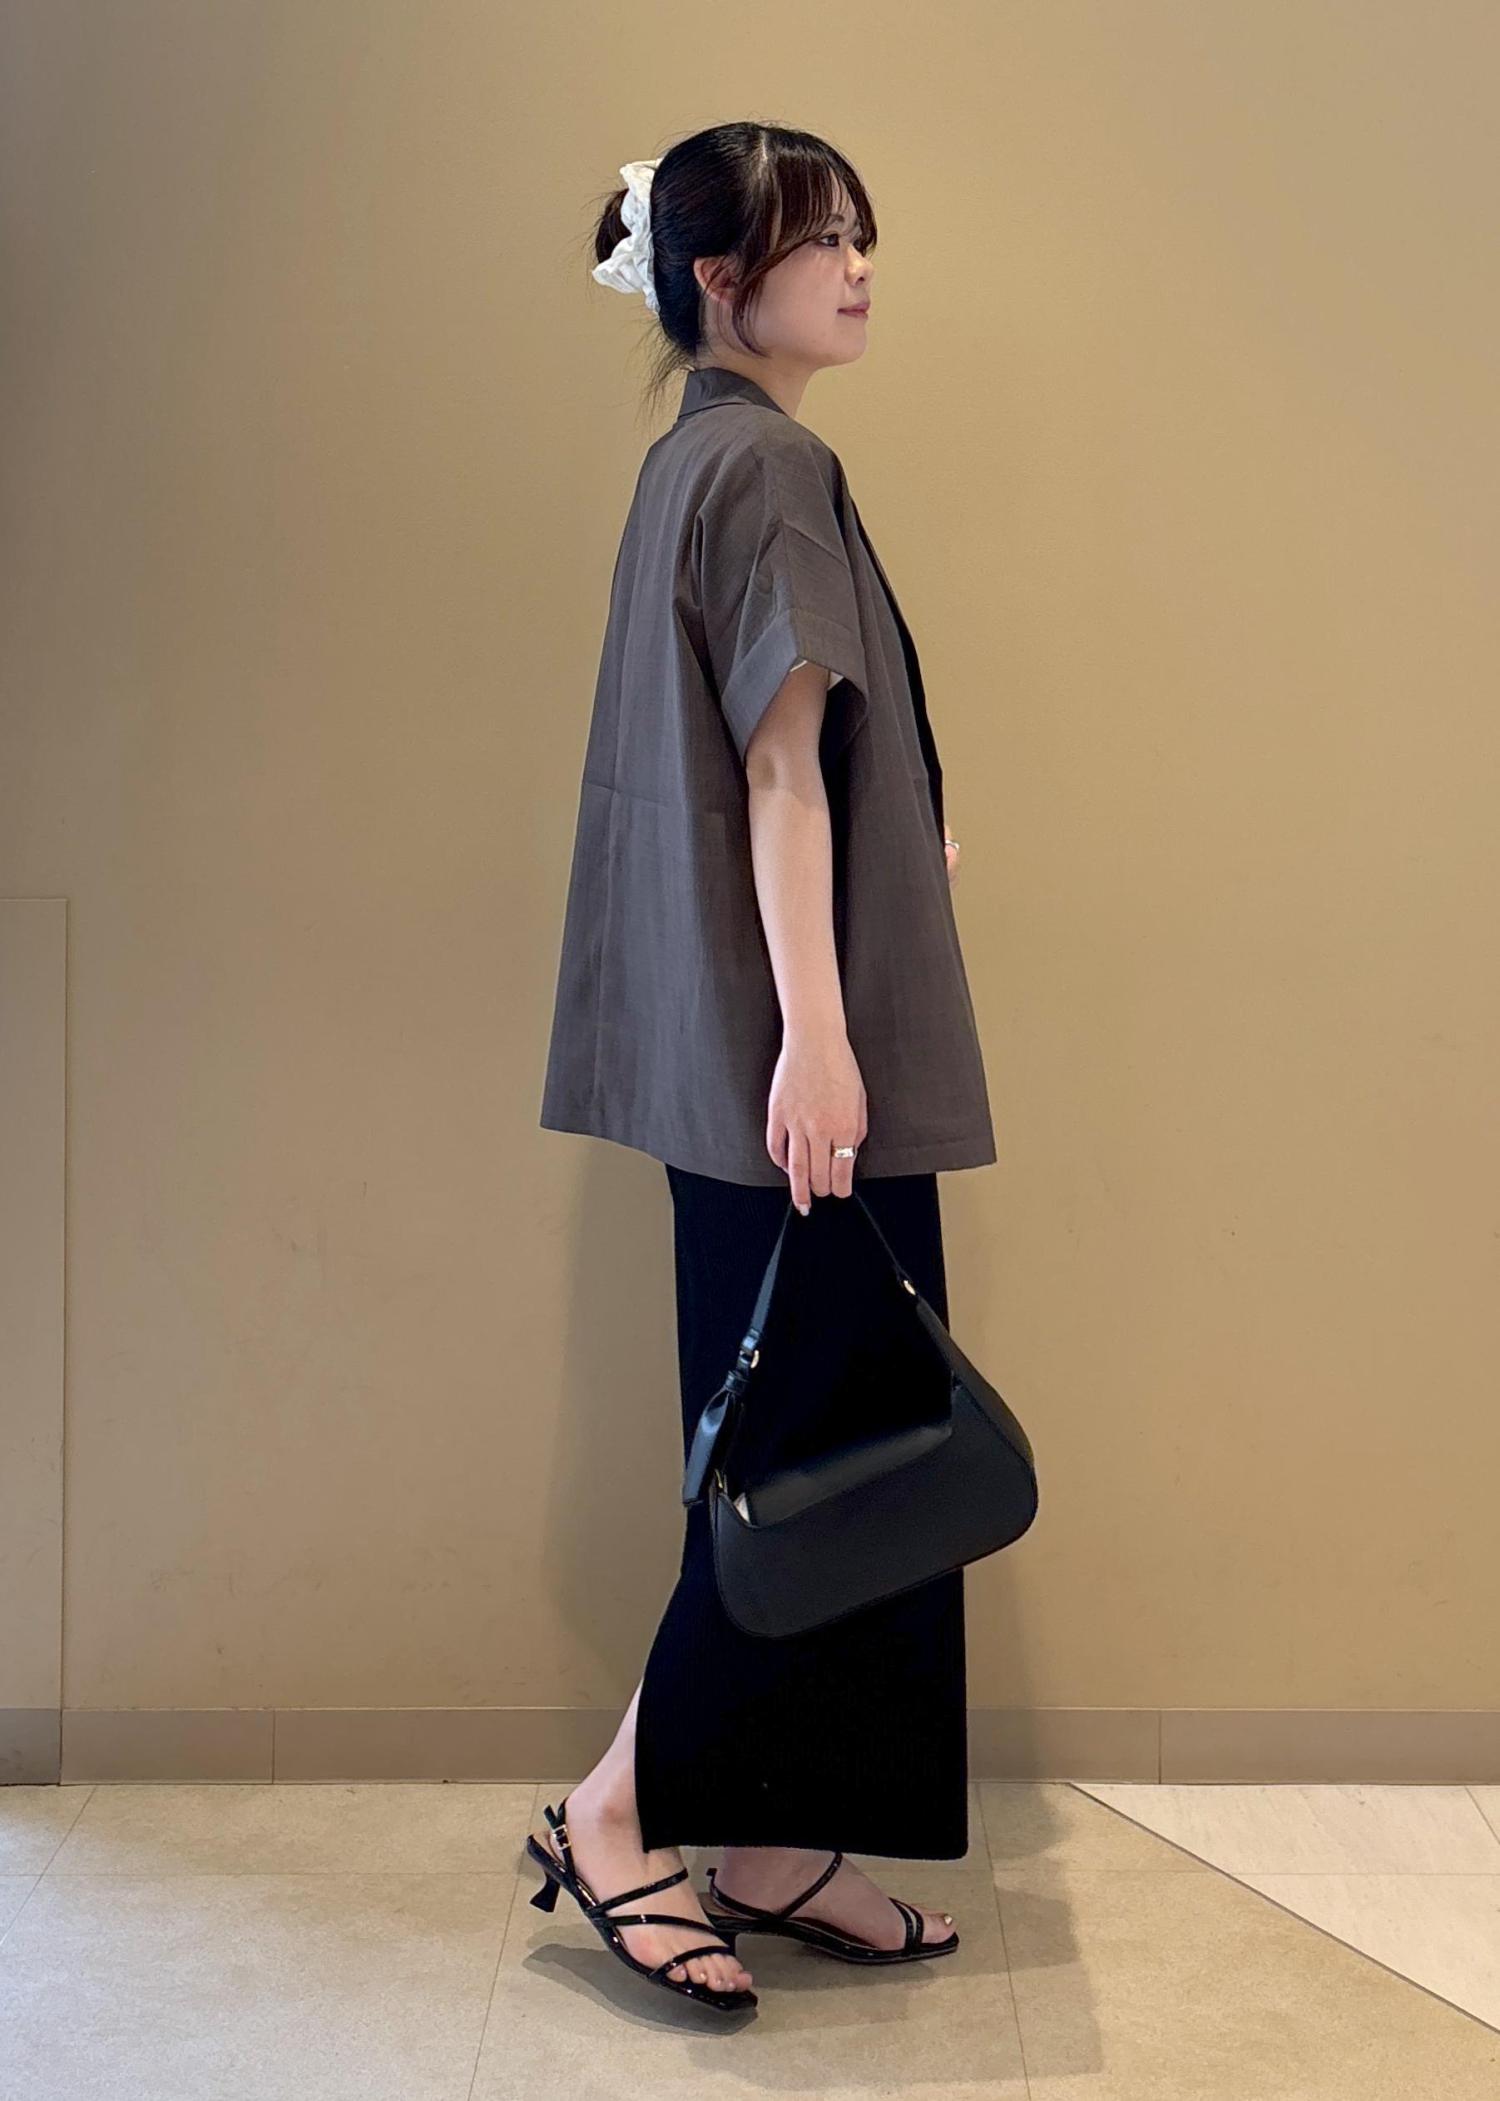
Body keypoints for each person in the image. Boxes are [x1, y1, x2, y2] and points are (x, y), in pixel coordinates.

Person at [531, 121, 997, 2015]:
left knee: (823, 1444)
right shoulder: (772, 463)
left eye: (865, 235)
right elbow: (781, 769)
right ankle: (616, 1814)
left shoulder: (696, 457)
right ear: (723, 279)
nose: (860, 267)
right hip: (789, 1066)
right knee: (812, 1454)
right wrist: (818, 1033)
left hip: (731, 1053)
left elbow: (781, 755)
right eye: (824, 240)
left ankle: (778, 1841)